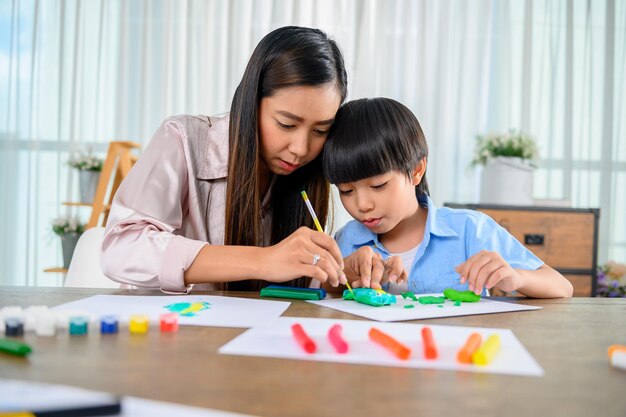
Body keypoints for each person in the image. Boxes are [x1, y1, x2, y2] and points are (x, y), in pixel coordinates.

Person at [101, 26, 349, 294]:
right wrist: (261, 260)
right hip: (171, 327)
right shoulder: (182, 139)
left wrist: (338, 275)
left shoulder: (305, 177)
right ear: (251, 102)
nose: (301, 149)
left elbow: (291, 283)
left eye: (320, 131)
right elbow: (121, 248)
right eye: (286, 124)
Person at [323, 97, 573, 298]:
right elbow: (324, 293)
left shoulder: (469, 230)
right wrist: (344, 273)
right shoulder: (348, 239)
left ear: (416, 170)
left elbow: (562, 287)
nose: (362, 205)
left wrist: (517, 278)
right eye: (346, 191)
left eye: (378, 186)